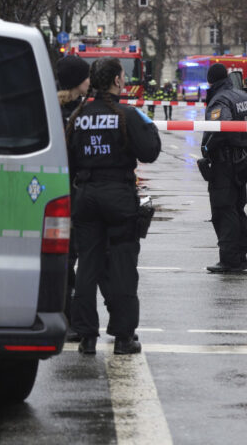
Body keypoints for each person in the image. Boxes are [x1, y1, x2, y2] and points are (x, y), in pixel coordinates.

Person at [67, 58, 161, 356]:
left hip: (86, 196)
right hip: (118, 196)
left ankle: (86, 335)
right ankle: (123, 337)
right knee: (122, 267)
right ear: (118, 81)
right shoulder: (125, 114)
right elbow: (149, 151)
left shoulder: (78, 116)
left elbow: (67, 161)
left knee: (87, 267)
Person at [202, 62, 247, 273]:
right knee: (237, 211)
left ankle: (229, 260)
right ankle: (240, 258)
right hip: (240, 161)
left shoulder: (219, 100)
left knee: (223, 211)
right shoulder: (242, 96)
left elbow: (221, 129)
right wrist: (243, 141)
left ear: (211, 81)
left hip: (224, 164)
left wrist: (208, 148)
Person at [55, 55, 91, 341]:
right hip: (71, 194)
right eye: (86, 76)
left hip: (58, 191)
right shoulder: (74, 114)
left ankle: (65, 317)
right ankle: (69, 319)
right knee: (71, 258)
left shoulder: (54, 108)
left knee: (66, 258)